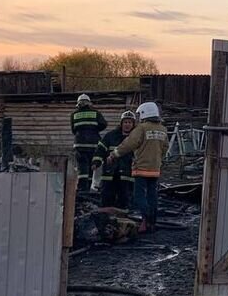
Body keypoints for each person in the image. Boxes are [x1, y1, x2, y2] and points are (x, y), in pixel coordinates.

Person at [107, 101, 168, 233]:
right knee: (152, 196)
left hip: (141, 168)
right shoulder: (163, 129)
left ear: (145, 113)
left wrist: (114, 154)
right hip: (155, 169)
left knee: (138, 196)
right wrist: (158, 161)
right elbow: (165, 148)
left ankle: (147, 218)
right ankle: (152, 223)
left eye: (140, 115)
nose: (139, 117)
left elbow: (129, 144)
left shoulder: (141, 128)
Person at [92, 110, 136, 209]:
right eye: (125, 122)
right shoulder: (111, 136)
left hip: (127, 173)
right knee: (106, 196)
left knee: (125, 197)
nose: (127, 125)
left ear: (133, 124)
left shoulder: (136, 138)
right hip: (109, 172)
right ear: (121, 123)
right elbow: (100, 149)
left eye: (130, 122)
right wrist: (96, 161)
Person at [71, 94, 107, 191]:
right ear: (89, 103)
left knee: (82, 168)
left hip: (79, 145)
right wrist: (94, 130)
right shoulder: (96, 113)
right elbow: (104, 124)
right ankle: (89, 188)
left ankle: (82, 189)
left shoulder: (74, 114)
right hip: (93, 145)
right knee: (92, 166)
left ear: (78, 104)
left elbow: (73, 130)